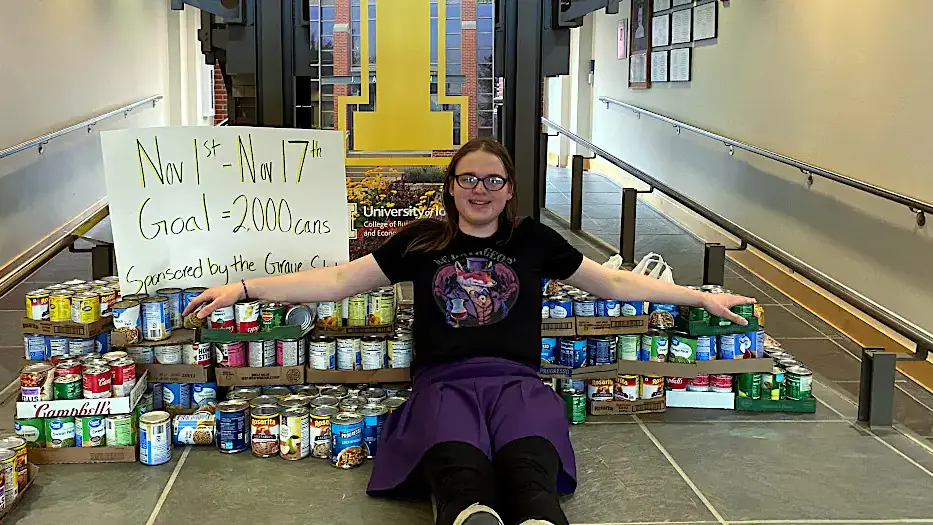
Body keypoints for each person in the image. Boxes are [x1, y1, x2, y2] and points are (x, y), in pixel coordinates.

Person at [183, 138, 754, 525]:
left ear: (509, 190)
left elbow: (615, 284)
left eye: (493, 180)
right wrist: (244, 288)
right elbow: (336, 281)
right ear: (451, 188)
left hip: (518, 384)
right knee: (463, 479)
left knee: (531, 475)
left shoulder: (534, 242)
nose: (480, 189)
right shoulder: (420, 241)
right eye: (467, 179)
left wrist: (700, 296)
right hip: (443, 384)